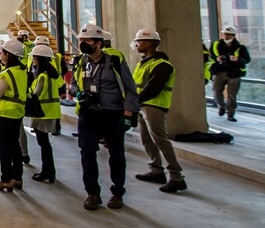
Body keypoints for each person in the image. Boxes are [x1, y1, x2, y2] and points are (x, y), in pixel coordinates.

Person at [71, 24, 139, 211]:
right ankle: (92, 193)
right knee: (87, 152)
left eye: (87, 41)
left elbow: (131, 90)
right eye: (81, 41)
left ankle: (117, 192)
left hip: (112, 113)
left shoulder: (114, 62)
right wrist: (78, 94)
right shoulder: (80, 62)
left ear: (99, 43)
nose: (83, 44)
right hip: (88, 113)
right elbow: (73, 85)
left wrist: (127, 114)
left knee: (116, 154)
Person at [132, 29, 186, 194]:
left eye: (139, 41)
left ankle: (176, 177)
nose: (137, 44)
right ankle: (156, 170)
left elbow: (153, 88)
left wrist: (135, 100)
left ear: (149, 43)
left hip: (153, 106)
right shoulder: (143, 63)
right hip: (142, 105)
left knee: (160, 140)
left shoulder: (162, 65)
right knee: (146, 139)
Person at [0, 39, 28, 192]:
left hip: (4, 113)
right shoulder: (22, 71)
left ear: (9, 55)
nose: (1, 55)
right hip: (17, 112)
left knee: (4, 147)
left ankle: (6, 179)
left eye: (3, 53)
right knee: (14, 145)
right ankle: (17, 178)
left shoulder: (7, 74)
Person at [27, 44, 62, 183]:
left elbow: (37, 94)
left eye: (35, 58)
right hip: (51, 111)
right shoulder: (53, 74)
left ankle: (47, 171)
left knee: (44, 144)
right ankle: (49, 171)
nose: (33, 60)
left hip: (43, 112)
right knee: (45, 144)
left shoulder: (42, 76)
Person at [210, 25, 250, 122]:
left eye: (228, 35)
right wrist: (217, 59)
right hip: (219, 71)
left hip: (234, 72)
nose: (226, 36)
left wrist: (237, 59)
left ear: (233, 36)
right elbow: (211, 56)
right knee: (216, 91)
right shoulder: (216, 45)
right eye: (225, 34)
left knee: (232, 94)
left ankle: (230, 113)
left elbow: (247, 59)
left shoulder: (240, 47)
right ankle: (222, 106)